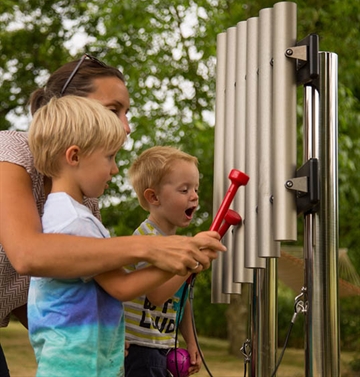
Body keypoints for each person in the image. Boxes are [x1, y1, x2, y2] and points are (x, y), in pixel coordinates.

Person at [0, 54, 225, 376]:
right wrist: (152, 248)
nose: (126, 126)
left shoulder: (85, 201)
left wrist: (92, 334)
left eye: (126, 113)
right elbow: (27, 255)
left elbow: (55, 283)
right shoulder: (11, 151)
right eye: (113, 110)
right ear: (69, 109)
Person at [27, 96, 192, 376]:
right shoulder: (75, 222)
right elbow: (123, 286)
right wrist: (184, 259)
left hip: (76, 359)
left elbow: (106, 292)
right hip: (79, 366)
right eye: (109, 157)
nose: (115, 169)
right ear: (74, 156)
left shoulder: (65, 214)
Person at [124, 146, 203, 377]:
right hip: (140, 348)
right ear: (154, 197)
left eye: (196, 188)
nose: (195, 195)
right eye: (184, 189)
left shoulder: (178, 243)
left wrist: (190, 341)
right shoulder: (146, 239)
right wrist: (190, 263)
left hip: (162, 345)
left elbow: (181, 296)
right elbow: (157, 295)